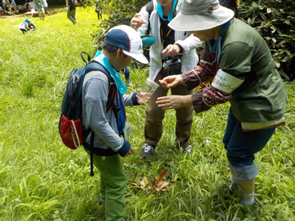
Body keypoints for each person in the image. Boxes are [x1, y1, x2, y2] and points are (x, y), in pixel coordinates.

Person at [157, 0, 287, 206]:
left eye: (193, 25)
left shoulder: (236, 43)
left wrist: (182, 100)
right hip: (242, 100)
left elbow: (219, 92)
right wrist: (181, 79)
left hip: (260, 104)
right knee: (230, 143)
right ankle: (239, 185)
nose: (191, 31)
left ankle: (247, 202)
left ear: (207, 21)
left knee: (239, 152)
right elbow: (207, 68)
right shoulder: (214, 36)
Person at [82, 25, 148, 221]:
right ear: (119, 52)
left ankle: (105, 199)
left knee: (108, 173)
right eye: (130, 58)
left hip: (100, 138)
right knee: (118, 181)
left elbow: (112, 100)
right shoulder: (98, 78)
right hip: (100, 140)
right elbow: (97, 121)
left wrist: (133, 98)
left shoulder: (104, 66)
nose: (130, 63)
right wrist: (120, 145)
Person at [130, 0, 202, 158]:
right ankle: (150, 142)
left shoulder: (187, 6)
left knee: (184, 108)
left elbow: (199, 36)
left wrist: (180, 46)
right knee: (153, 108)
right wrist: (134, 28)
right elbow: (138, 38)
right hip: (159, 67)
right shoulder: (149, 9)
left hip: (184, 67)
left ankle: (183, 142)